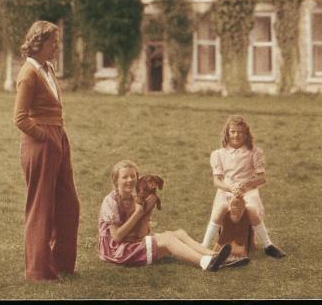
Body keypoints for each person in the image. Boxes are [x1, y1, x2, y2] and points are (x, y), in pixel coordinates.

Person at [13, 20, 80, 281]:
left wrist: (57, 138)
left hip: (58, 137)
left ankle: (61, 263)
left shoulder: (48, 69)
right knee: (40, 207)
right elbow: (19, 118)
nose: (57, 47)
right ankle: (39, 271)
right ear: (39, 43)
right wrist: (45, 137)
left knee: (69, 204)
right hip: (40, 142)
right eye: (54, 42)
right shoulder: (28, 74)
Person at [99, 159, 245, 271]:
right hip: (118, 251)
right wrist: (138, 213)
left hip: (132, 243)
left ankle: (218, 257)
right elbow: (117, 237)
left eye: (133, 176)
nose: (130, 180)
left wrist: (146, 214)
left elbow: (141, 236)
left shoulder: (136, 198)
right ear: (116, 180)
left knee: (178, 233)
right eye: (125, 177)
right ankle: (206, 263)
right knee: (169, 240)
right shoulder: (111, 201)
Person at [201, 115, 286, 258]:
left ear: (246, 134)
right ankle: (203, 246)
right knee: (221, 208)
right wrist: (230, 188)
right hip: (227, 190)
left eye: (240, 132)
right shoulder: (219, 154)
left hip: (247, 191)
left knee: (251, 208)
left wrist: (246, 185)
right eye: (233, 131)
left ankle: (268, 245)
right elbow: (217, 181)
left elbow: (262, 178)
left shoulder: (254, 152)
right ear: (227, 133)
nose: (236, 135)